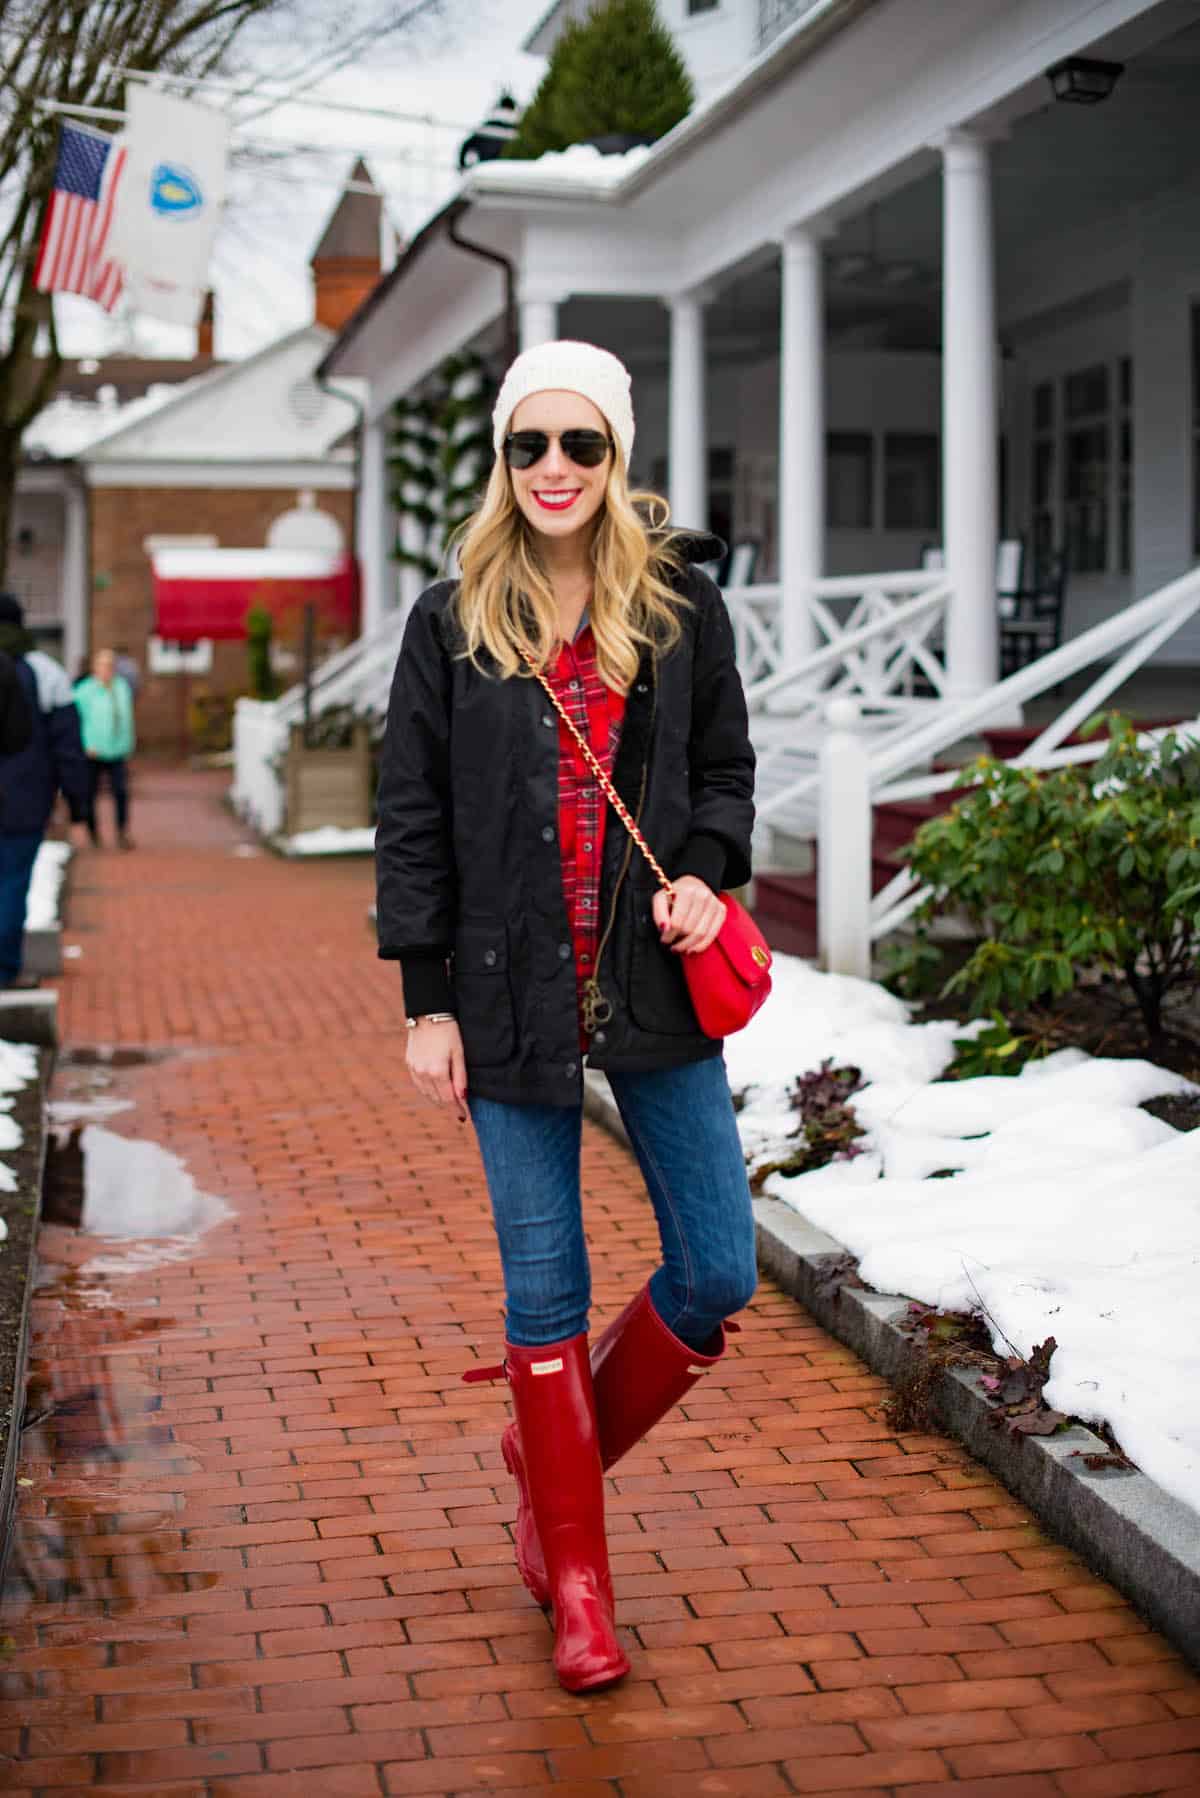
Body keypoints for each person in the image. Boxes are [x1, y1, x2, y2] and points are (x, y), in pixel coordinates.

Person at [376, 341, 758, 1695]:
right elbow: (412, 818)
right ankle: (579, 1582)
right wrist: (425, 1000)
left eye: (580, 444)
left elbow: (724, 772)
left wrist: (708, 875)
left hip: (650, 983)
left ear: (617, 458)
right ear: (502, 459)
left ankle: (554, 1447)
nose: (553, 469)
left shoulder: (683, 612)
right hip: (501, 989)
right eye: (530, 444)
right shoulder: (449, 621)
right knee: (546, 1288)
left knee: (719, 1266)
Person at [0, 594, 90, 989]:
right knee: (12, 882)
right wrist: (78, 806)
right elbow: (68, 747)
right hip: (24, 799)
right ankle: (4, 969)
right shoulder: (45, 672)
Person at [74, 647, 136, 849]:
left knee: (121, 792)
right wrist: (85, 744)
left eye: (110, 665)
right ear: (95, 667)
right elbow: (76, 721)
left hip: (117, 749)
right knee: (90, 793)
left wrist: (128, 744)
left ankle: (122, 831)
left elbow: (127, 719)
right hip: (93, 750)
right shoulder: (84, 690)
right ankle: (93, 832)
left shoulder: (121, 687)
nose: (107, 669)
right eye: (102, 665)